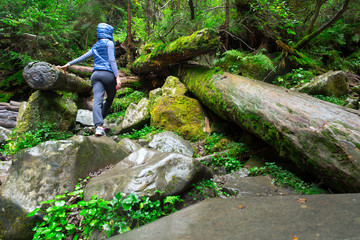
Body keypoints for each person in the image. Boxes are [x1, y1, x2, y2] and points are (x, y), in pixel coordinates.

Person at [58, 23, 121, 136]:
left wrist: (68, 64)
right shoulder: (110, 43)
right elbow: (112, 60)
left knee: (97, 100)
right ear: (108, 33)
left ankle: (99, 126)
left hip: (95, 75)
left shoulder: (96, 46)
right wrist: (117, 77)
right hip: (108, 75)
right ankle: (100, 121)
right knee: (110, 98)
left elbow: (83, 57)